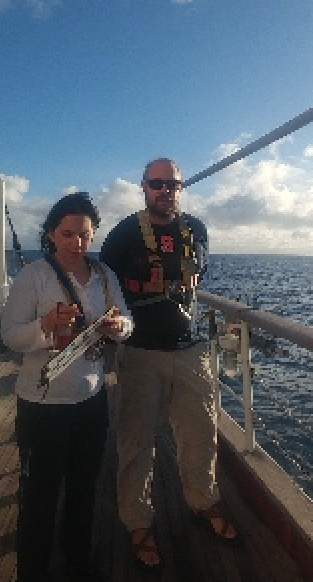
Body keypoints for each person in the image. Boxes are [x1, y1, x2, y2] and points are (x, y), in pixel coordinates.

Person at [99, 157, 238, 570]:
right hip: (140, 351)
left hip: (189, 349)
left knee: (199, 432)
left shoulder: (196, 229)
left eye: (173, 184)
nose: (166, 190)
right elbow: (104, 283)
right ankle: (138, 522)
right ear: (143, 186)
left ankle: (204, 501)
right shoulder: (124, 234)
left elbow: (199, 275)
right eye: (157, 184)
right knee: (137, 442)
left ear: (181, 187)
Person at [1, 192, 133, 582]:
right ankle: (32, 572)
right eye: (68, 233)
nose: (77, 243)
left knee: (83, 492)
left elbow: (127, 321)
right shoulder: (33, 276)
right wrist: (46, 326)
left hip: (91, 401)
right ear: (51, 235)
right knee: (38, 498)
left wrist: (117, 327)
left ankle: (77, 565)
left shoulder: (106, 276)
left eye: (85, 234)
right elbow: (9, 336)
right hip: (42, 406)